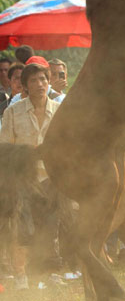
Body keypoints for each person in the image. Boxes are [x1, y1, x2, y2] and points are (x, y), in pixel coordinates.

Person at [0, 63, 61, 289]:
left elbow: (67, 144)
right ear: (24, 86)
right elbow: (4, 149)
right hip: (22, 178)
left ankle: (49, 272)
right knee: (23, 229)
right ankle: (21, 275)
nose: (40, 84)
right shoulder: (12, 112)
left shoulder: (58, 111)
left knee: (50, 226)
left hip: (51, 176)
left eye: (43, 79)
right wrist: (30, 154)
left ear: (49, 82)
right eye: (34, 80)